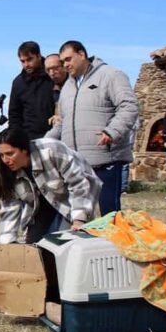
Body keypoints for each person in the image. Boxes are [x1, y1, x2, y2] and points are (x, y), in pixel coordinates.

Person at [47, 40, 138, 215]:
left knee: (109, 215)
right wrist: (45, 142)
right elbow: (63, 122)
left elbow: (129, 106)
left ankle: (112, 241)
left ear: (82, 55)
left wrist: (112, 132)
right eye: (63, 61)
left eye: (68, 59)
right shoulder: (67, 86)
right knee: (78, 216)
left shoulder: (110, 75)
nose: (65, 65)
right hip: (75, 164)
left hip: (106, 159)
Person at [0, 128, 101, 244]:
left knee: (62, 243)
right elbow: (10, 207)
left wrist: (79, 218)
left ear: (24, 149)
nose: (5, 160)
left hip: (70, 201)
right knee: (34, 245)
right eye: (1, 155)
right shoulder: (6, 171)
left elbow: (79, 184)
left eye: (10, 154)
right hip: (40, 206)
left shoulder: (52, 150)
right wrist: (7, 243)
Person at [9, 41, 55, 139]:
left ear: (38, 56)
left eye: (29, 59)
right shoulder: (18, 83)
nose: (26, 64)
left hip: (58, 135)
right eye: (22, 61)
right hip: (30, 139)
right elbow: (14, 115)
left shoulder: (54, 74)